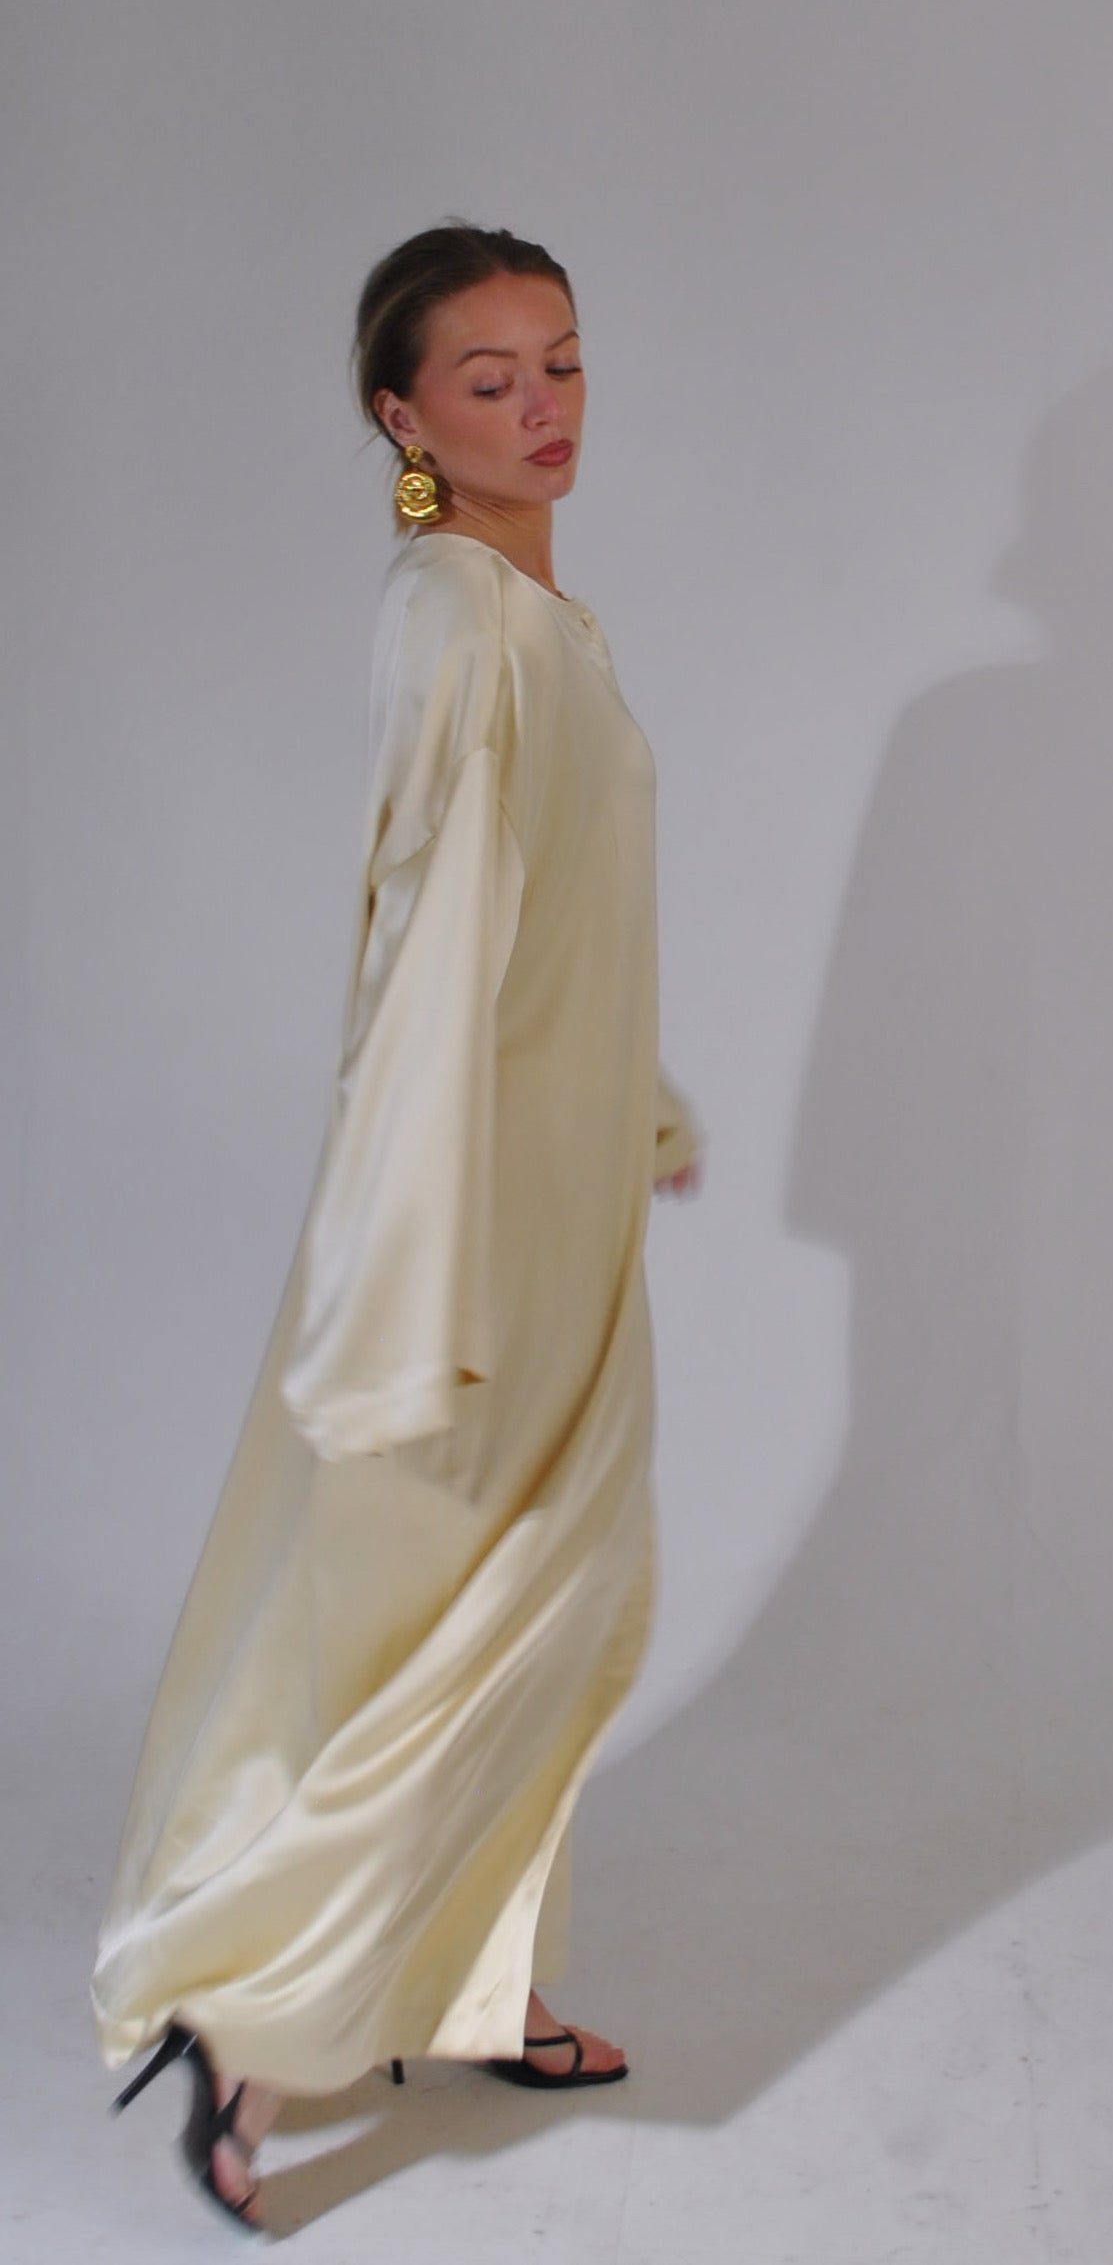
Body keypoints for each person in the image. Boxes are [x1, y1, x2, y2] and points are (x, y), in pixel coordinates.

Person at [91, 219, 705, 2233]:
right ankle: (251, 2017)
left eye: (566, 362)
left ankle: (474, 1985)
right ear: (403, 417)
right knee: (466, 1627)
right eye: (489, 382)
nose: (546, 409)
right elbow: (426, 946)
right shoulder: (457, 618)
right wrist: (406, 1261)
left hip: (549, 1189)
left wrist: (636, 1104)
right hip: (468, 1225)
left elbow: (561, 918)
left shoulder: (537, 613)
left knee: (553, 1602)